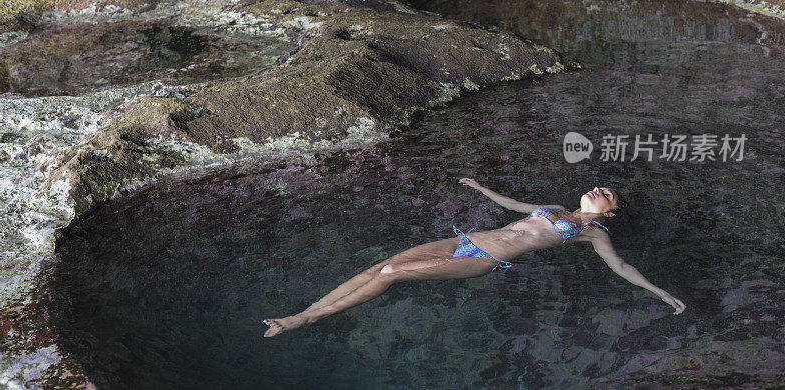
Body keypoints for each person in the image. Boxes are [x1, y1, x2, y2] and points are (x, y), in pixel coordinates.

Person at [263, 178, 686, 337]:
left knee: (391, 272)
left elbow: (621, 267)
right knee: (375, 268)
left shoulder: (593, 233)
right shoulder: (555, 209)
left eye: (606, 194)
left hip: (483, 258)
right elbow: (515, 204)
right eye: (599, 186)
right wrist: (483, 190)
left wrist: (659, 292)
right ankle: (305, 310)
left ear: (610, 211)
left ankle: (307, 320)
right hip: (463, 240)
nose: (598, 189)